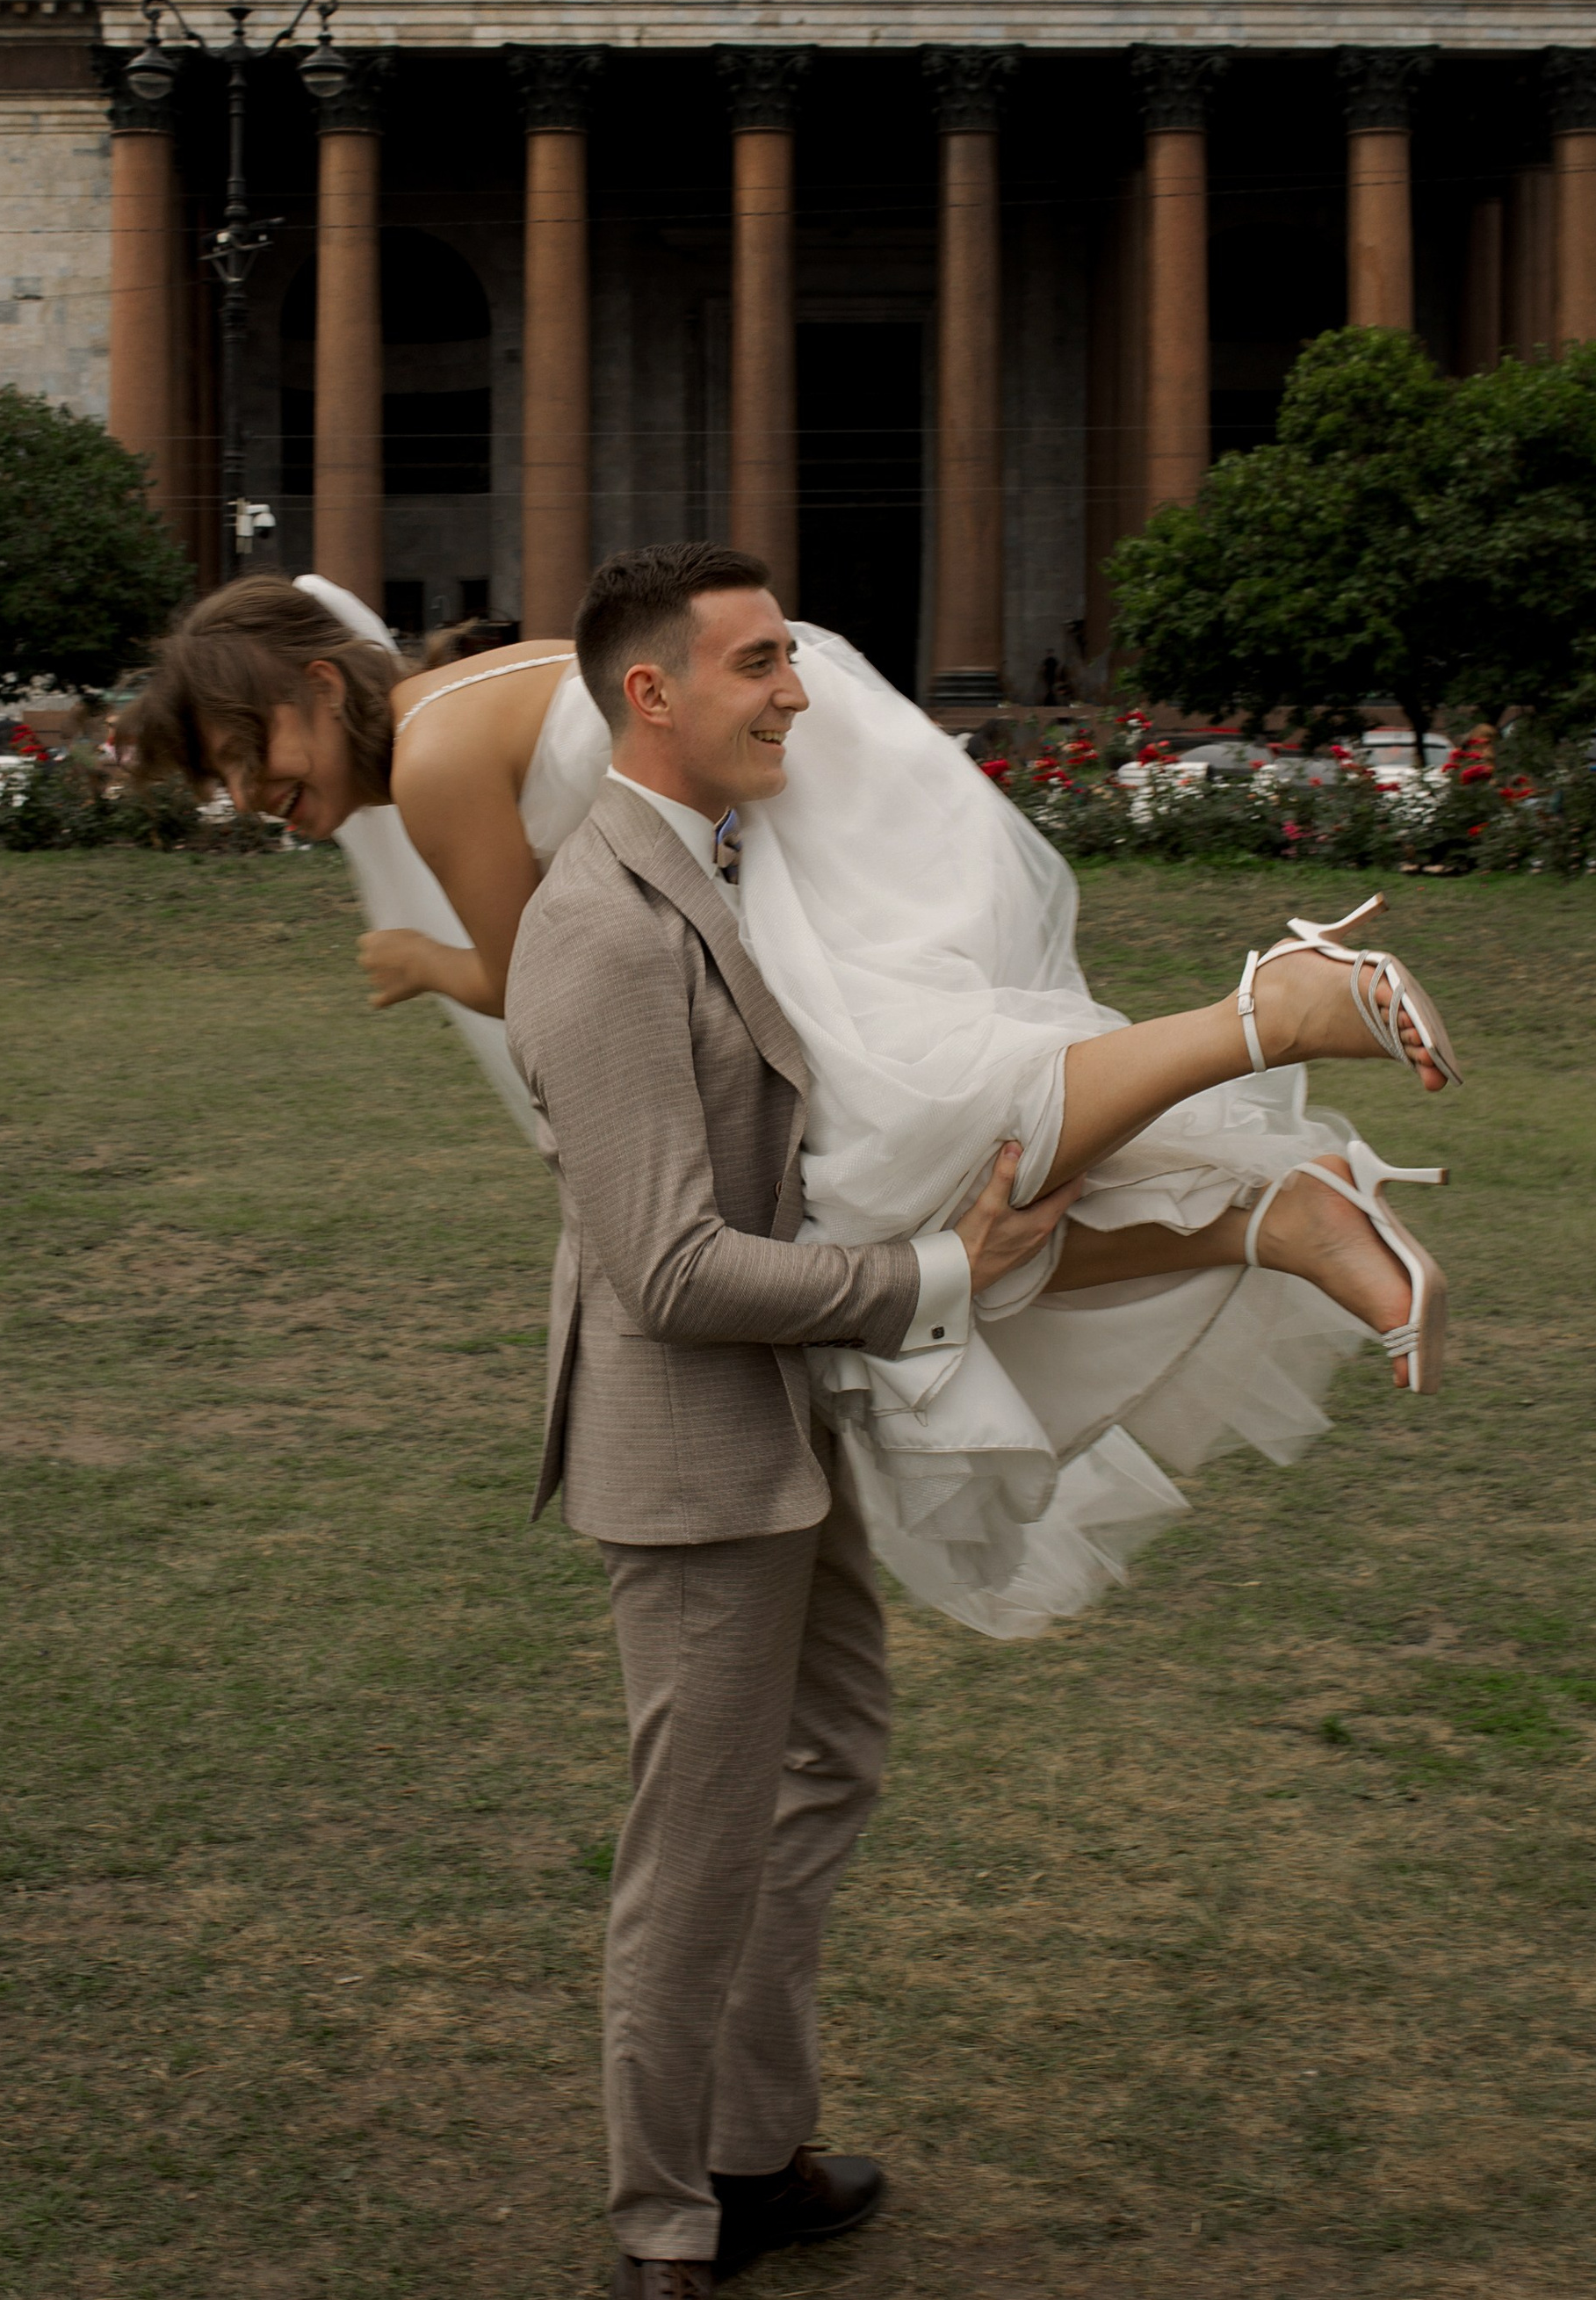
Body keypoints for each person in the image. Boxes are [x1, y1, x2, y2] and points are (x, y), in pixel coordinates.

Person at [123, 555, 1462, 1637]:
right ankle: (1273, 1216)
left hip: (784, 830)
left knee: (892, 1169)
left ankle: (1270, 1017)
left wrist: (424, 962)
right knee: (902, 1194)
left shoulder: (427, 760)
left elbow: (541, 982)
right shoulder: (463, 689)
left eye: (248, 750)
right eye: (220, 781)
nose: (249, 795)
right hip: (816, 798)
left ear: (320, 683)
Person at [500, 565, 1083, 2300]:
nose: (796, 695)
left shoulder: (734, 871)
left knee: (827, 1761)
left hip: (782, 1429)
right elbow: (670, 1269)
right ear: (650, 694)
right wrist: (938, 1275)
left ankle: (751, 2152)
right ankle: (662, 2239)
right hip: (688, 1460)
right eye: (760, 664)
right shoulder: (596, 928)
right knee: (691, 1858)